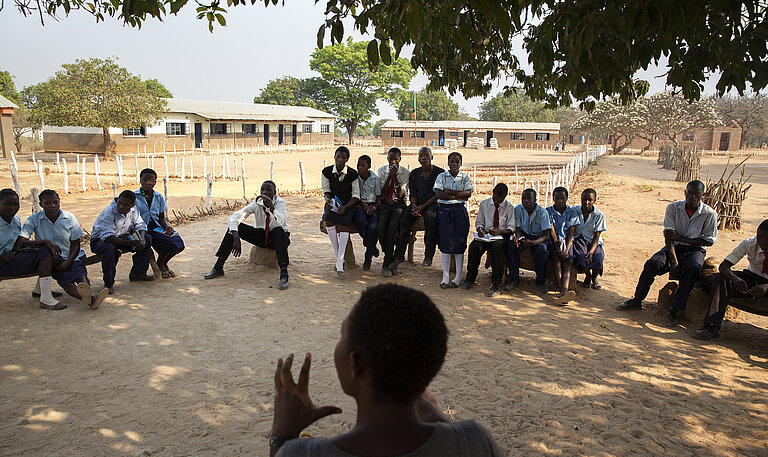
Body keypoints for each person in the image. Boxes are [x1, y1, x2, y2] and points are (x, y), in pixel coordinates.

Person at [268, 284, 504, 457]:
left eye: (342, 336)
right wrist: (438, 416)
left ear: (357, 365)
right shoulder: (474, 442)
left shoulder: (304, 453)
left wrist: (283, 434)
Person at [617, 180, 718, 327]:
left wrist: (681, 238)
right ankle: (637, 299)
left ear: (702, 196)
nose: (693, 197)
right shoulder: (673, 208)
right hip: (673, 247)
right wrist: (674, 261)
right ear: (685, 193)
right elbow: (669, 237)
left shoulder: (709, 214)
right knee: (652, 263)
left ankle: (674, 310)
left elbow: (709, 241)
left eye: (697, 194)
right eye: (690, 193)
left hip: (694, 250)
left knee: (693, 269)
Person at [19, 190, 108, 309]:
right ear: (41, 204)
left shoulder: (69, 218)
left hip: (72, 255)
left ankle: (87, 294)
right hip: (52, 259)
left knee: (80, 273)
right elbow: (22, 241)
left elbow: (76, 244)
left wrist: (68, 261)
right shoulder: (34, 219)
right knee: (64, 278)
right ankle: (90, 300)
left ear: (59, 202)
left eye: (56, 202)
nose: (53, 206)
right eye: (48, 203)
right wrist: (44, 242)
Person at [204, 180, 290, 290]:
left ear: (275, 192)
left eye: (269, 190)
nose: (264, 192)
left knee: (278, 230)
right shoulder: (257, 202)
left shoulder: (280, 202)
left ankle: (284, 275)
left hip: (279, 238)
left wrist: (271, 207)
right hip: (262, 236)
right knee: (235, 228)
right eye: (262, 189)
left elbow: (280, 222)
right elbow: (235, 217)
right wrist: (236, 236)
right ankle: (218, 266)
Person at [692, 219, 768, 340]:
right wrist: (735, 279)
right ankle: (711, 327)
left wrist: (767, 287)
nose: (763, 241)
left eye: (767, 238)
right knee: (722, 279)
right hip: (753, 278)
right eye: (760, 237)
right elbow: (724, 266)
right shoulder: (750, 243)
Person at [0, 189, 64, 310]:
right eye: (7, 204)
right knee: (44, 253)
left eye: (15, 204)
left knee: (46, 251)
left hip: (11, 258)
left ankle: (41, 292)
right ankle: (45, 298)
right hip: (2, 262)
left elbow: (18, 244)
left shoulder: (15, 220)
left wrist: (45, 242)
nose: (12, 208)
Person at [91, 190, 154, 294]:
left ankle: (138, 274)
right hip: (101, 241)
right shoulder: (109, 212)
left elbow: (140, 225)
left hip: (121, 237)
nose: (121, 206)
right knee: (110, 249)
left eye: (126, 205)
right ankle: (108, 283)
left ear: (132, 205)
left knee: (147, 238)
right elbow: (108, 238)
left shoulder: (134, 210)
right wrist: (132, 243)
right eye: (120, 203)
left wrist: (141, 239)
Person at [460, 183, 515, 297]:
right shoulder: (485, 204)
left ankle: (496, 284)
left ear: (505, 197)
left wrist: (499, 232)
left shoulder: (509, 207)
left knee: (496, 248)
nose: (497, 201)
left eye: (500, 200)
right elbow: (479, 222)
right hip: (486, 235)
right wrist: (480, 230)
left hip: (500, 236)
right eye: (495, 198)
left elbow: (511, 228)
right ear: (492, 193)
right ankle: (470, 278)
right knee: (474, 246)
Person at [395, 147, 444, 267]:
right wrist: (414, 206)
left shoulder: (439, 173)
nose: (424, 158)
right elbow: (413, 193)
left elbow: (437, 195)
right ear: (418, 159)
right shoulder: (415, 174)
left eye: (426, 156)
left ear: (431, 157)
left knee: (430, 218)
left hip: (432, 204)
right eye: (421, 156)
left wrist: (422, 207)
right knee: (404, 219)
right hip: (417, 204)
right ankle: (399, 255)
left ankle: (428, 255)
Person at [134, 168, 185, 278]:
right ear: (140, 181)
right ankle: (161, 265)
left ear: (155, 182)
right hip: (141, 229)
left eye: (151, 180)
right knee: (165, 242)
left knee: (177, 242)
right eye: (145, 180)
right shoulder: (134, 197)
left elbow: (161, 217)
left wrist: (166, 227)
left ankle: (162, 262)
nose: (148, 183)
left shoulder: (158, 197)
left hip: (156, 227)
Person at [434, 151, 473, 289]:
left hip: (459, 212)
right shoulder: (442, 176)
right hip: (444, 211)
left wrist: (449, 192)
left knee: (459, 242)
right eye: (452, 161)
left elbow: (467, 194)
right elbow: (438, 193)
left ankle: (457, 277)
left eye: (457, 162)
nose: (454, 164)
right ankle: (445, 276)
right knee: (445, 242)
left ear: (461, 163)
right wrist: (456, 196)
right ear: (448, 162)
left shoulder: (464, 177)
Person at [322, 146, 360, 277]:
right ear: (334, 157)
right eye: (338, 157)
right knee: (328, 220)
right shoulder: (326, 171)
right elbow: (326, 191)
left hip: (348, 204)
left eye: (343, 157)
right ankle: (340, 260)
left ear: (347, 159)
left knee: (344, 224)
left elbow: (356, 195)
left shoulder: (353, 174)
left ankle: (339, 261)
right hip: (332, 202)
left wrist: (345, 207)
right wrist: (328, 200)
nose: (340, 160)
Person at [508, 188, 551, 293]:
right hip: (524, 235)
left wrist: (533, 243)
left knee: (541, 250)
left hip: (538, 238)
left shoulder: (542, 213)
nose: (526, 201)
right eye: (523, 198)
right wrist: (517, 238)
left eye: (529, 198)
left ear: (535, 200)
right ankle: (513, 279)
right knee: (512, 245)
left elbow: (546, 236)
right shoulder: (518, 209)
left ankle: (540, 281)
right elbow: (518, 229)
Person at [377, 147, 410, 277]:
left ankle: (387, 263)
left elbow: (401, 195)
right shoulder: (381, 171)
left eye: (396, 159)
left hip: (398, 205)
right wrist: (389, 176)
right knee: (380, 228)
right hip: (385, 204)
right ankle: (389, 255)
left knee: (392, 229)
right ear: (387, 159)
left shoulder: (405, 172)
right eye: (391, 159)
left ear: (400, 159)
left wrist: (395, 178)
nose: (393, 162)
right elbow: (383, 193)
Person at [546, 186, 580, 304]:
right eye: (557, 198)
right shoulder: (548, 212)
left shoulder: (572, 213)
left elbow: (571, 233)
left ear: (567, 199)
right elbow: (552, 231)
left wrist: (567, 248)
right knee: (556, 259)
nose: (560, 201)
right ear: (553, 198)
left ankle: (565, 290)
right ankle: (562, 290)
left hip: (567, 241)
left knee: (568, 260)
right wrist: (557, 247)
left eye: (563, 198)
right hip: (554, 241)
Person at [571, 188, 607, 291]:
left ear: (594, 200)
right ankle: (588, 276)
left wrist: (591, 251)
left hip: (593, 240)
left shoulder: (599, 215)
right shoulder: (575, 211)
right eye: (584, 199)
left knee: (598, 256)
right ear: (580, 199)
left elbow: (596, 236)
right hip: (579, 239)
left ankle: (594, 277)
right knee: (581, 256)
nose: (586, 202)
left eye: (590, 200)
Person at [352, 155, 381, 271]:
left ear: (369, 166)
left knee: (373, 227)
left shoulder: (375, 179)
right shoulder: (355, 177)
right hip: (359, 204)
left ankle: (368, 258)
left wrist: (374, 207)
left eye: (363, 165)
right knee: (360, 221)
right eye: (358, 165)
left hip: (372, 204)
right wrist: (363, 205)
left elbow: (379, 197)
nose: (360, 168)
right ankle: (371, 245)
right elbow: (354, 194)